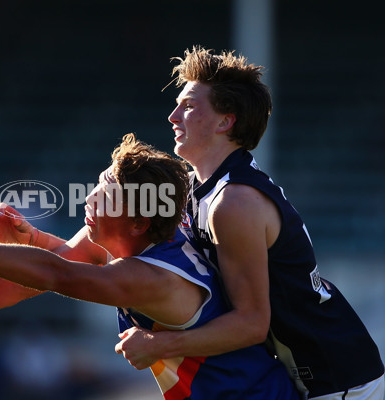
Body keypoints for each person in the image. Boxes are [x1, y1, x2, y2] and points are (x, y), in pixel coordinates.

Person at [0, 134, 298, 399]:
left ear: (139, 221)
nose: (88, 202)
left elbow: (56, 275)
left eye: (104, 197)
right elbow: (40, 275)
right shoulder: (135, 238)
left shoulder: (152, 279)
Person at [113, 47, 384, 399]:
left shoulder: (234, 203)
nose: (173, 116)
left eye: (189, 106)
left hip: (339, 380)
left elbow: (251, 324)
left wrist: (159, 344)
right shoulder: (198, 186)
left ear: (226, 121)